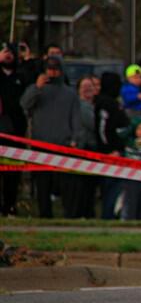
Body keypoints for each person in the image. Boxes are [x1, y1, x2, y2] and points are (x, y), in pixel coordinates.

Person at [20, 56, 81, 218]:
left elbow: (75, 119)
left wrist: (75, 139)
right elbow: (24, 105)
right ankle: (44, 215)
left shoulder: (70, 94)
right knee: (43, 186)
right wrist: (36, 88)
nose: (52, 73)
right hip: (41, 145)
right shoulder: (37, 90)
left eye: (56, 69)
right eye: (49, 69)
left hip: (64, 146)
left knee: (67, 186)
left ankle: (70, 216)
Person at [94, 72, 129, 219]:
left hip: (118, 151)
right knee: (110, 189)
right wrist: (109, 150)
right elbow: (103, 129)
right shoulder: (105, 103)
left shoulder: (113, 103)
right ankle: (108, 216)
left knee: (116, 189)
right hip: (110, 154)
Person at [0, 42, 28, 217]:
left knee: (13, 173)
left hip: (16, 133)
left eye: (11, 52)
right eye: (4, 52)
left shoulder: (21, 76)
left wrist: (28, 58)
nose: (8, 55)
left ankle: (10, 206)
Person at [70, 76, 99, 218]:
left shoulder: (95, 106)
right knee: (81, 185)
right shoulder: (81, 106)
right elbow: (94, 124)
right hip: (83, 149)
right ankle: (79, 213)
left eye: (90, 87)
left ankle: (88, 213)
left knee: (90, 185)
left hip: (93, 148)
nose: (88, 89)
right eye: (84, 87)